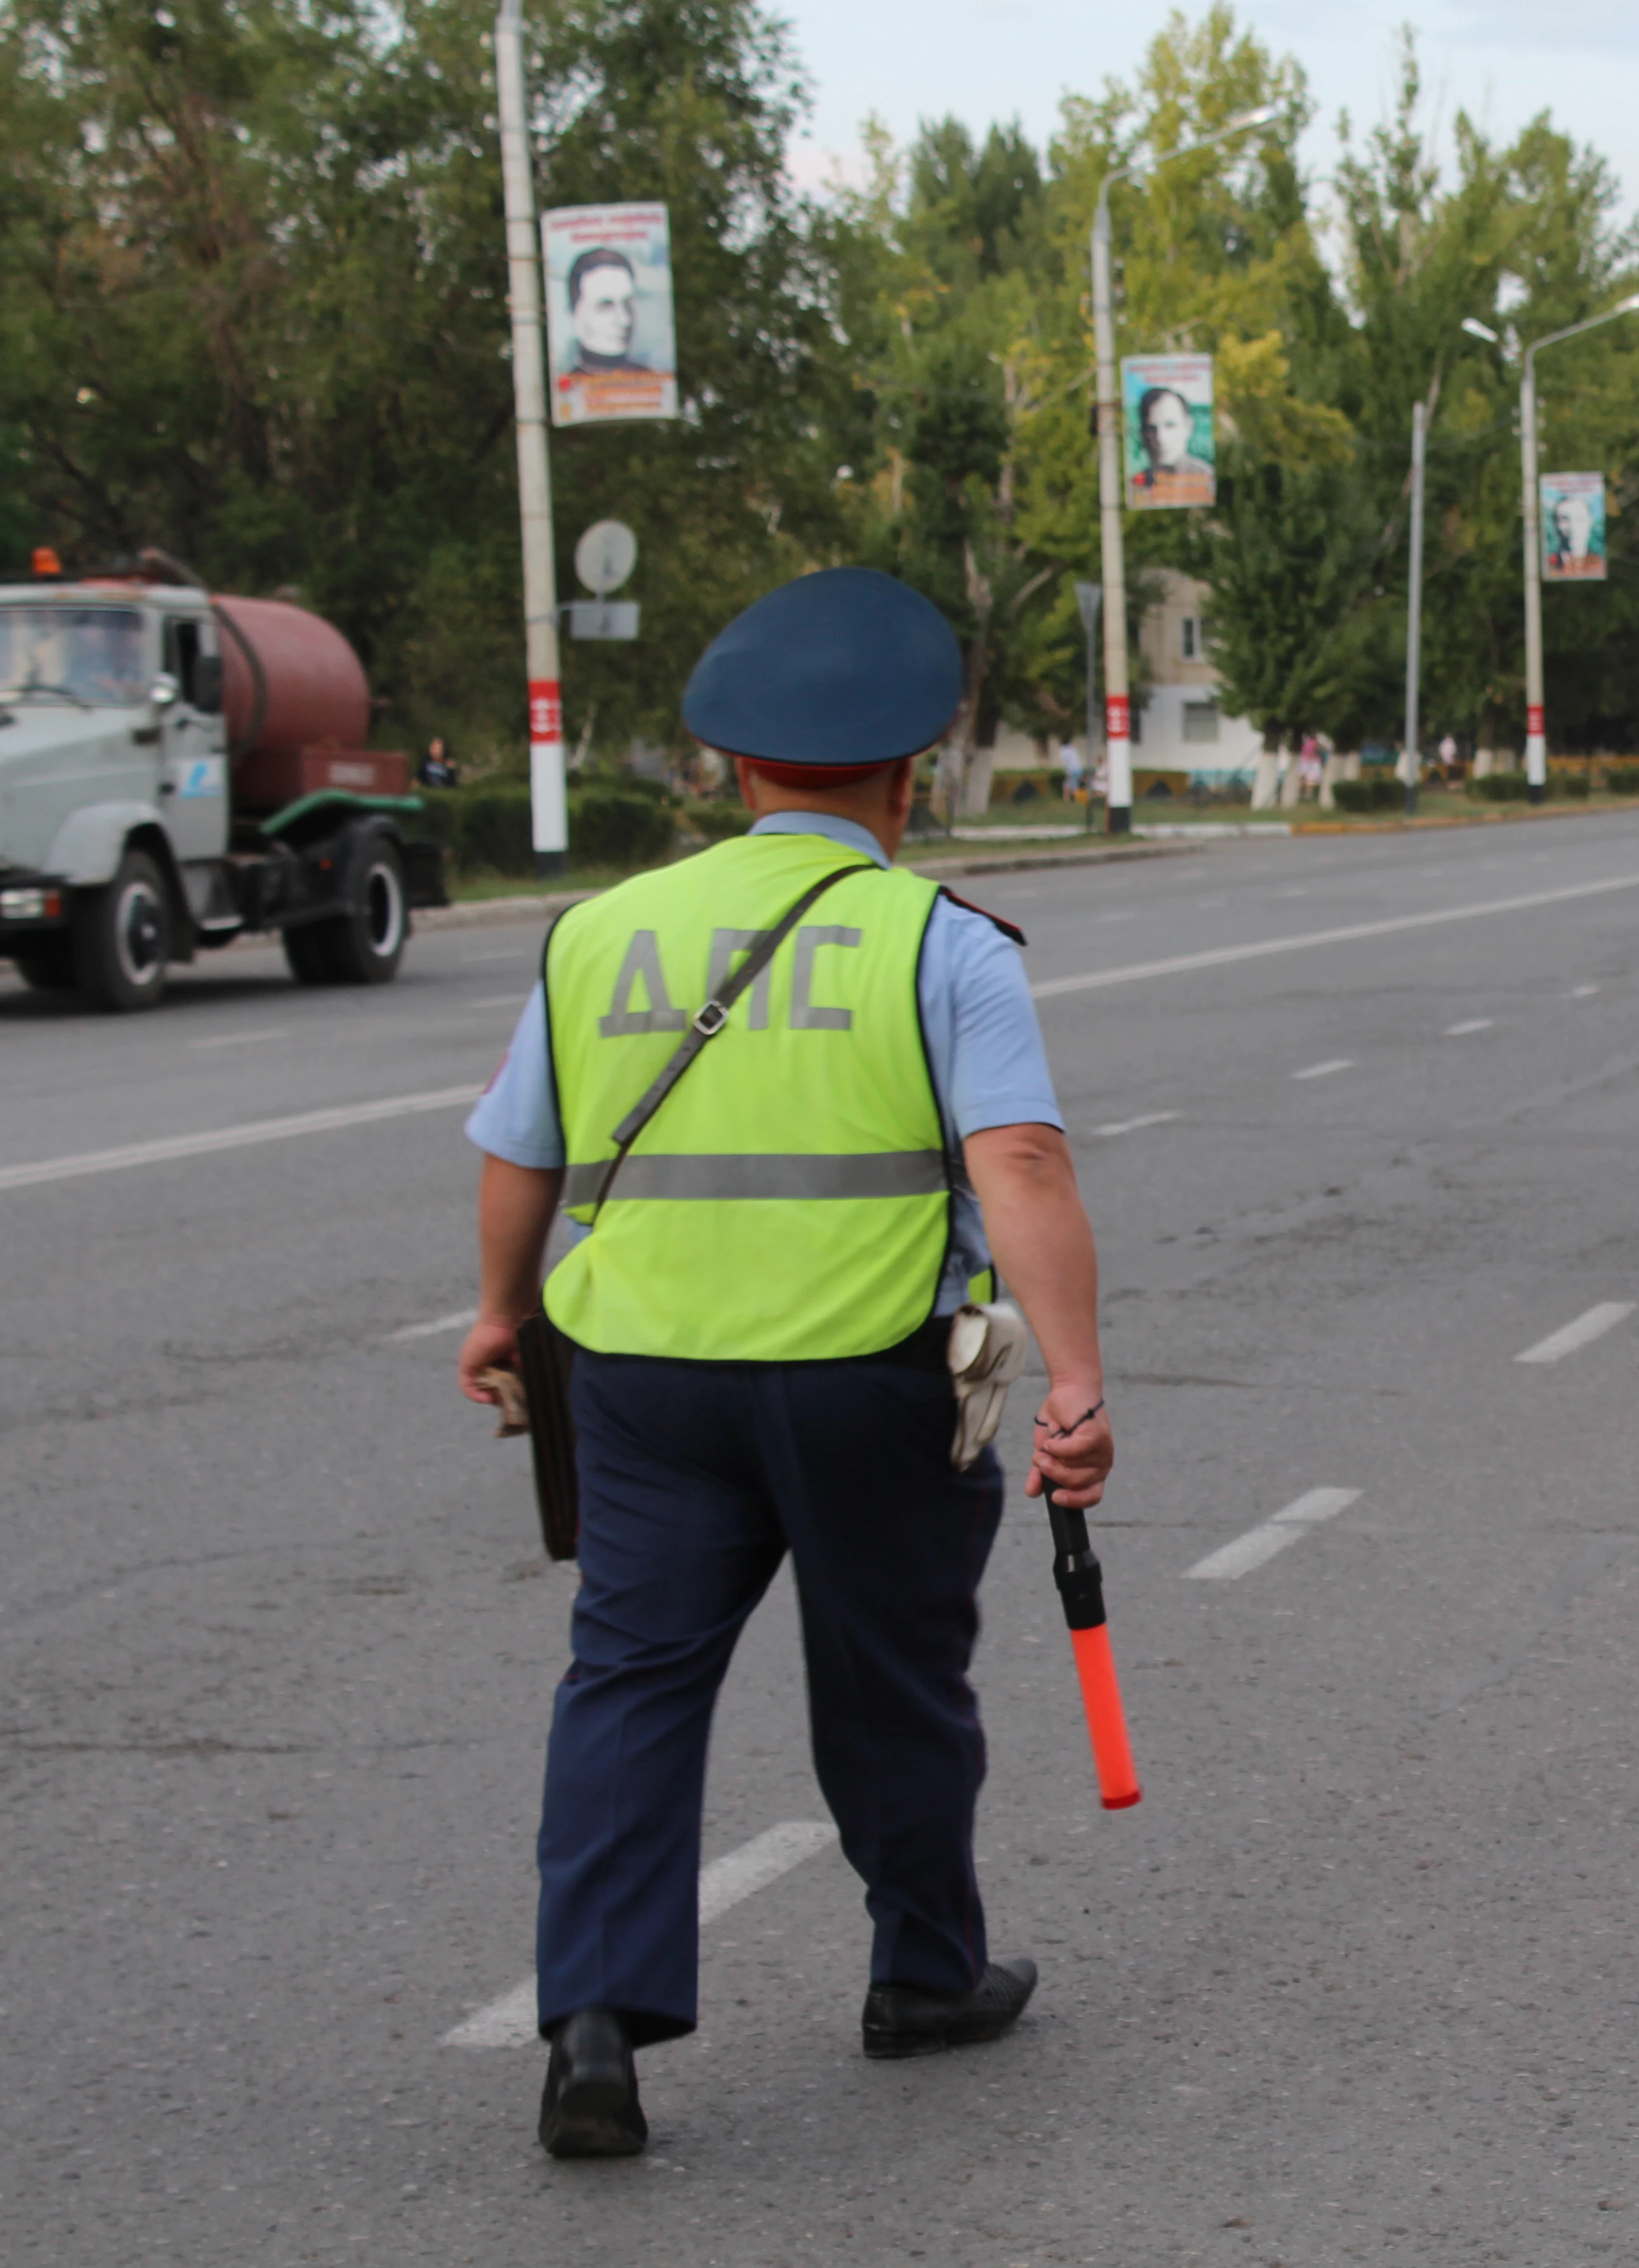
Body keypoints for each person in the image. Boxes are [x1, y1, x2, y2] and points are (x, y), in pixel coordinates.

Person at [455, 566, 1113, 2159]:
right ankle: (922, 1971)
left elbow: (516, 1151)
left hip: (639, 1376)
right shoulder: (940, 939)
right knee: (889, 1667)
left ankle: (595, 2025)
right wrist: (1079, 1383)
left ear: (731, 770)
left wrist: (497, 1309)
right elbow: (1014, 1157)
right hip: (874, 1370)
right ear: (906, 775)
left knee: (628, 1677)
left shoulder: (598, 930)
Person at [563, 247, 653, 376]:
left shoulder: (652, 380)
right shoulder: (567, 389)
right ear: (574, 317)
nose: (624, 320)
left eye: (627, 304)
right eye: (606, 306)